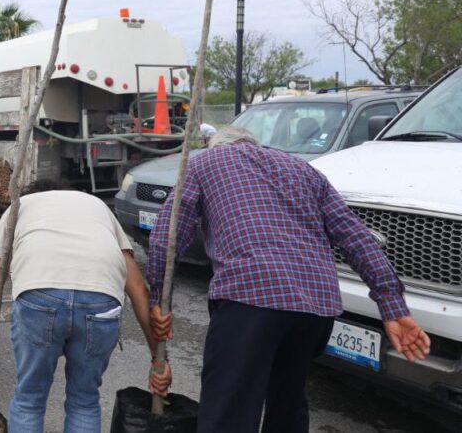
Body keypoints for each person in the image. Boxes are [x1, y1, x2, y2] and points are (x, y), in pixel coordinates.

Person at [147, 126, 430, 433]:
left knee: (229, 412)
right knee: (288, 402)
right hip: (315, 308)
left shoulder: (204, 162)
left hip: (250, 299)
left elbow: (168, 237)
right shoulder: (304, 170)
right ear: (255, 143)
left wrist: (159, 298)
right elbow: (356, 237)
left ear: (214, 145)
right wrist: (393, 306)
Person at [0, 180, 171, 433]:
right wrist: (158, 359)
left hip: (40, 295)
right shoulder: (97, 206)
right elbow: (139, 289)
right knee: (84, 402)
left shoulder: (19, 208)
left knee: (29, 401)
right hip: (100, 302)